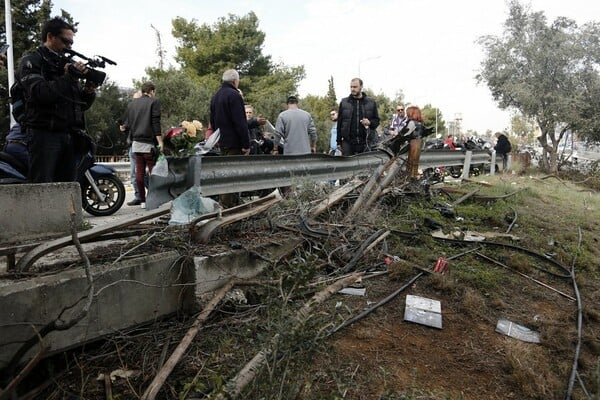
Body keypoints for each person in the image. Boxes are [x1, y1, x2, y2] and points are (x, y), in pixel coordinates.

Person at [17, 16, 97, 183]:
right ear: (50, 37)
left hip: (68, 135)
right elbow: (40, 93)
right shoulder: (32, 60)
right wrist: (68, 77)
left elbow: (78, 106)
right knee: (42, 188)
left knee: (67, 188)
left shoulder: (65, 64)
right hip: (44, 134)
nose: (68, 47)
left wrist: (88, 91)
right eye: (65, 41)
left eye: (71, 44)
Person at [210, 69, 250, 207]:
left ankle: (226, 202)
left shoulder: (216, 96)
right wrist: (246, 144)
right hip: (235, 142)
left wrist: (217, 138)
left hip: (222, 141)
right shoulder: (234, 95)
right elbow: (240, 122)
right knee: (233, 174)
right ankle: (229, 205)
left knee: (224, 173)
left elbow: (213, 121)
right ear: (235, 81)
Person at [121, 81, 162, 209]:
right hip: (148, 142)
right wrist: (160, 141)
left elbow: (128, 124)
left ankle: (143, 201)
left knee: (139, 172)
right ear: (151, 91)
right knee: (153, 172)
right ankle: (154, 199)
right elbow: (155, 123)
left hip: (135, 142)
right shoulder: (153, 102)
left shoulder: (132, 104)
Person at [336, 78, 380, 155]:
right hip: (348, 143)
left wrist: (369, 122)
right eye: (351, 87)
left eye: (355, 87)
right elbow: (339, 124)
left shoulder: (371, 102)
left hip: (366, 142)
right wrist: (338, 142)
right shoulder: (344, 102)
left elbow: (376, 121)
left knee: (366, 166)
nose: (352, 89)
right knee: (349, 166)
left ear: (361, 87)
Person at [120, 90, 144, 206]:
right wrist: (124, 127)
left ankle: (150, 195)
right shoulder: (132, 112)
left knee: (142, 174)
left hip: (141, 145)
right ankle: (138, 196)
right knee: (134, 174)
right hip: (132, 145)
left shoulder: (144, 113)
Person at [402, 106, 426, 178]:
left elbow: (405, 134)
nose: (406, 115)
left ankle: (407, 180)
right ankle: (413, 179)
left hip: (412, 144)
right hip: (418, 143)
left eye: (408, 113)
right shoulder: (421, 123)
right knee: (415, 165)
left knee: (409, 165)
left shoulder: (411, 123)